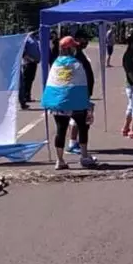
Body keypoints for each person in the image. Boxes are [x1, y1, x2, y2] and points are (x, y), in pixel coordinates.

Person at [42, 36, 95, 169]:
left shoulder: (56, 64)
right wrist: (87, 100)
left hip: (58, 102)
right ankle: (84, 156)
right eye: (74, 46)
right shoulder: (77, 63)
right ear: (70, 48)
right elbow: (84, 82)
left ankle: (59, 160)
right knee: (82, 127)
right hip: (76, 102)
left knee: (61, 130)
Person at [19, 30, 39, 110]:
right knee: (26, 81)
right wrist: (30, 59)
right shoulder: (26, 39)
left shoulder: (34, 38)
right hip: (28, 62)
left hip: (34, 62)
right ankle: (24, 97)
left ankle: (28, 96)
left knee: (31, 80)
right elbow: (23, 52)